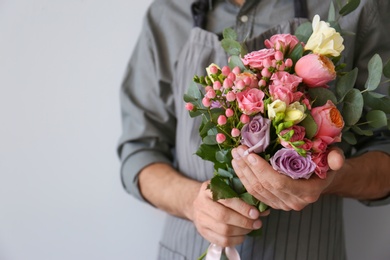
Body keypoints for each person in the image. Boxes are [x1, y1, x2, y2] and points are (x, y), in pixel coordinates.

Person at [117, 0, 390, 259]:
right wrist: (192, 203)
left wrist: (331, 179)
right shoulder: (168, 12)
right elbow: (139, 150)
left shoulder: (359, 7)